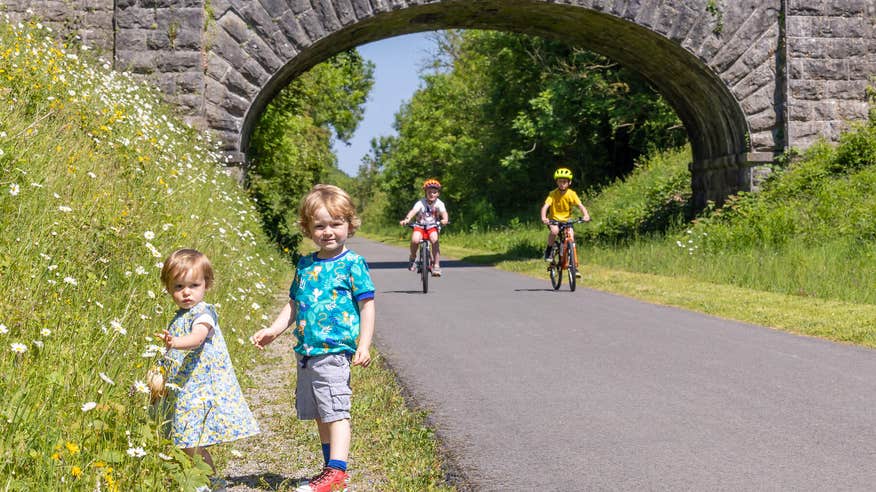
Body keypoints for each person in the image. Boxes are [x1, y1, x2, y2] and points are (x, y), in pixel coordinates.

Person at [250, 184, 376, 492]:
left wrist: (364, 344)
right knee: (321, 412)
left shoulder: (352, 263)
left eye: (336, 224)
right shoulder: (306, 264)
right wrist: (274, 329)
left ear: (349, 224)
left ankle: (337, 472)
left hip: (335, 351)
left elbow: (367, 305)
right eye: (320, 226)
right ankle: (329, 470)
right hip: (307, 352)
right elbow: (293, 304)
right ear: (308, 229)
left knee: (336, 410)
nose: (328, 231)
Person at [155, 248, 260, 492]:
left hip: (202, 387)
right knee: (184, 438)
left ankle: (206, 482)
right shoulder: (179, 316)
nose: (186, 292)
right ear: (168, 287)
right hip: (186, 386)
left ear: (206, 284)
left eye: (193, 285)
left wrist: (173, 343)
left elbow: (196, 338)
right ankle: (207, 480)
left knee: (190, 437)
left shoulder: (204, 314)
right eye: (178, 286)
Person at [540, 167, 591, 270]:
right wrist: (544, 217)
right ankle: (549, 250)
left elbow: (580, 205)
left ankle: (573, 263)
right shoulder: (553, 194)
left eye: (564, 181)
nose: (562, 184)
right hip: (553, 219)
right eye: (560, 181)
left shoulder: (572, 194)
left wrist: (586, 215)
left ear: (569, 182)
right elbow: (545, 206)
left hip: (566, 220)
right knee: (554, 231)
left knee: (571, 236)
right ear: (556, 182)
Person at [399, 178, 449, 276]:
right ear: (425, 192)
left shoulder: (439, 203)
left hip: (432, 226)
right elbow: (413, 211)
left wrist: (445, 219)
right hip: (420, 226)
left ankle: (436, 266)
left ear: (438, 194)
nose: (432, 194)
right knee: (415, 240)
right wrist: (407, 219)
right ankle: (413, 258)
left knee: (435, 239)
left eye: (434, 192)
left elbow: (444, 213)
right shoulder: (420, 203)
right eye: (429, 192)